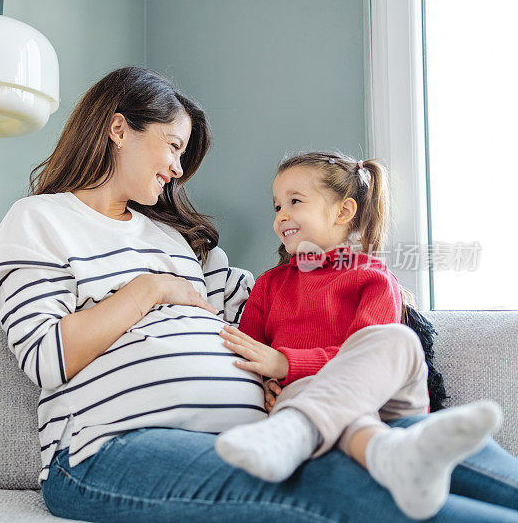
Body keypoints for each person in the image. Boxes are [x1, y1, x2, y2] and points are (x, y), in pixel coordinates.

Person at [0, 66, 518, 522]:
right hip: (105, 449)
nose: (176, 169)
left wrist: (369, 298)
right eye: (172, 147)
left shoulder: (176, 242)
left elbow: (287, 299)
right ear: (119, 129)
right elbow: (45, 356)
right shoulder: (40, 220)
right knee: (346, 484)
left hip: (265, 430)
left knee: (436, 439)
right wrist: (151, 289)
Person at [213, 151, 503, 519]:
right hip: (315, 405)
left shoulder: (373, 277)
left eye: (295, 202)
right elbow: (245, 352)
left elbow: (367, 361)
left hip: (389, 404)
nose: (281, 216)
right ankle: (394, 457)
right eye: (276, 206)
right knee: (308, 389)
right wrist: (265, 379)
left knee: (396, 341)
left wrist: (286, 363)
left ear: (343, 211)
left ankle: (304, 429)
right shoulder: (269, 285)